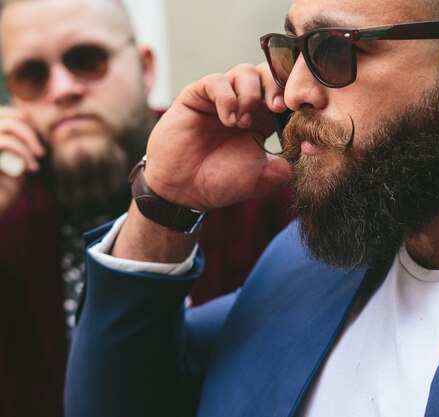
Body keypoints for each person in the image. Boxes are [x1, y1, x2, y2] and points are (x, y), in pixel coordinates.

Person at [65, 0, 439, 415]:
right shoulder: (301, 263)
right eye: (291, 52)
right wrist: (164, 203)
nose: (293, 92)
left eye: (336, 49)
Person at [0, 0, 291, 416]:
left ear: (146, 67)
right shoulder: (9, 214)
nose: (62, 89)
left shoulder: (241, 166)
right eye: (32, 76)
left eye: (87, 60)